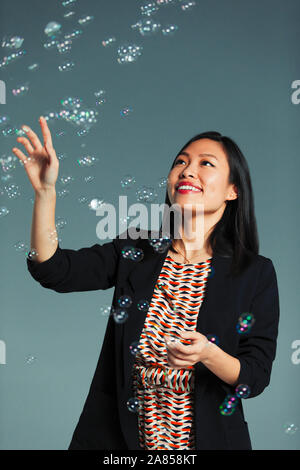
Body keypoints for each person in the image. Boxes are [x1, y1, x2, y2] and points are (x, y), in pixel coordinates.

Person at [12, 119, 280, 450]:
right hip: (119, 443)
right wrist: (45, 193)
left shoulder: (255, 273)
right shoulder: (137, 250)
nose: (187, 170)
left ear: (233, 191)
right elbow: (54, 269)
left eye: (205, 163)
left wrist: (208, 354)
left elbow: (254, 375)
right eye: (181, 161)